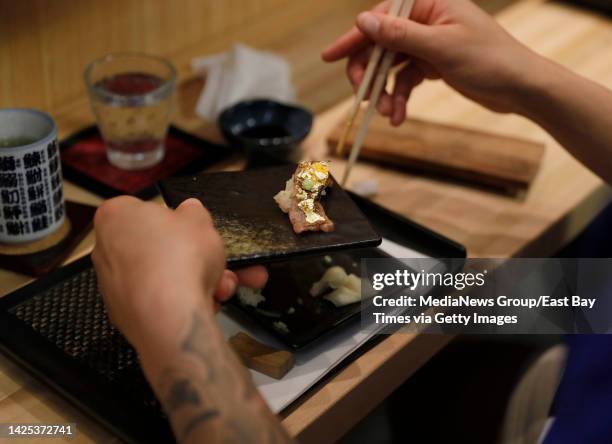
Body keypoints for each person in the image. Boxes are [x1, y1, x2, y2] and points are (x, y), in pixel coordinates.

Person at [92, 0, 612, 442]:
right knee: (431, 301)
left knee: (372, 393)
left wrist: (167, 316)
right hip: (595, 306)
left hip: (581, 374)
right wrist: (528, 78)